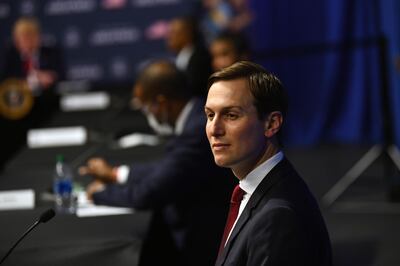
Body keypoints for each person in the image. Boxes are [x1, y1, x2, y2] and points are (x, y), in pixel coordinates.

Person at [79, 60, 235, 266]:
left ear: (161, 102)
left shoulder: (196, 131)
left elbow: (148, 194)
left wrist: (98, 194)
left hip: (202, 242)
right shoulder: (195, 114)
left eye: (145, 107)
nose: (147, 114)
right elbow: (166, 168)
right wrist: (116, 174)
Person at [205, 61, 332, 265]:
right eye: (210, 115)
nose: (214, 129)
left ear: (271, 124)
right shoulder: (263, 187)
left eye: (231, 115)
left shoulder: (278, 217)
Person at [166, 16, 212, 97]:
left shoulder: (200, 58)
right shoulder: (181, 57)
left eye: (173, 32)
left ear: (187, 34)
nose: (168, 37)